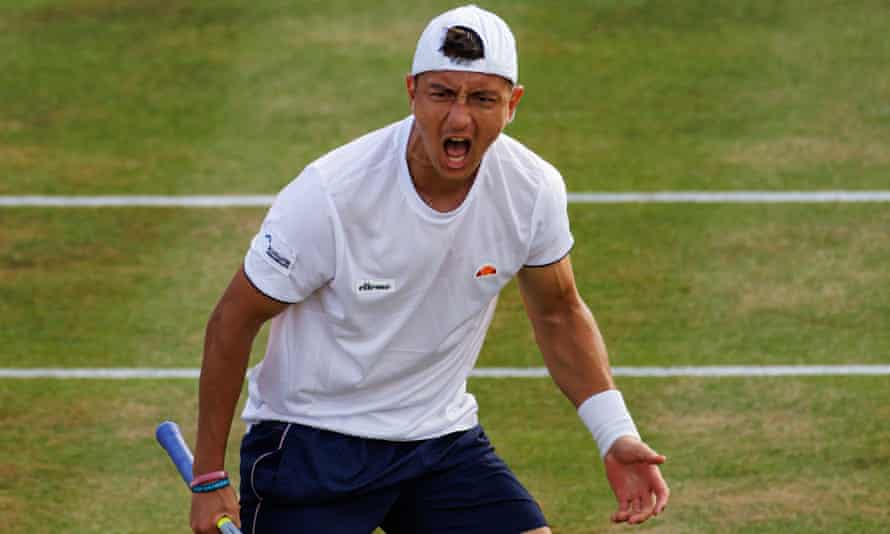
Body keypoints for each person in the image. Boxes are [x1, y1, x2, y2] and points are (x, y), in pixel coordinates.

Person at [189, 5, 669, 533]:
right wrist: (209, 476)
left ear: (513, 104)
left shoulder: (532, 190)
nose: (459, 118)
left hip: (439, 443)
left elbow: (558, 314)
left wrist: (614, 433)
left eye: (482, 98)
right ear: (411, 91)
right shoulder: (331, 195)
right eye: (442, 94)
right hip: (312, 443)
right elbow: (233, 320)